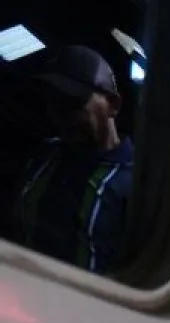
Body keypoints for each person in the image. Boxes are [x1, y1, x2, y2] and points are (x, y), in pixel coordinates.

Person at [11, 45, 134, 276]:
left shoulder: (134, 182)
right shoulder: (45, 155)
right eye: (53, 102)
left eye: (73, 102)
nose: (61, 115)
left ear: (113, 105)